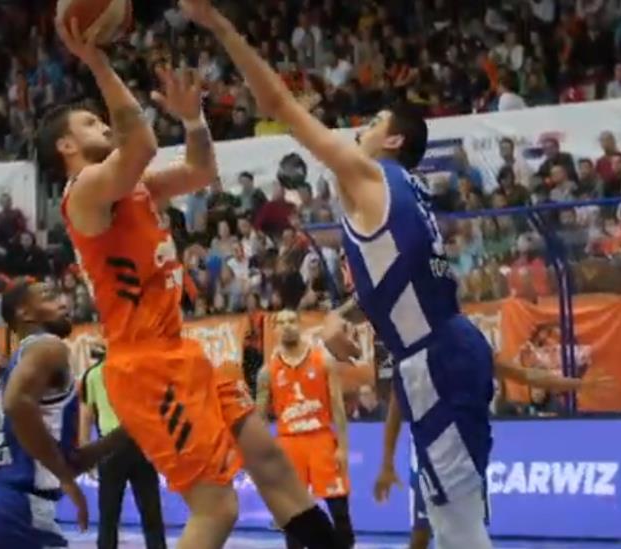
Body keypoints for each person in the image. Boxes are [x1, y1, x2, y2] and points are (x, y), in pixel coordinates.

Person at [181, 1, 491, 546]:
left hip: (437, 359)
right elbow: (398, 281)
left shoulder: (368, 174)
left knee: (459, 526)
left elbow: (276, 103)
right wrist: (342, 315)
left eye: (373, 123)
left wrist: (220, 26)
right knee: (449, 521)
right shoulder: (406, 192)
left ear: (393, 141)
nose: (360, 128)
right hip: (442, 350)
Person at [42, 17, 343, 549]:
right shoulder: (84, 192)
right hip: (146, 367)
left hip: (180, 351)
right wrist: (97, 61)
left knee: (270, 460)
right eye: (89, 122)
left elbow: (200, 172)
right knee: (217, 508)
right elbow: (140, 142)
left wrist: (194, 121)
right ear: (66, 145)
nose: (102, 123)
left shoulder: (135, 188)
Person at [375, 358, 613, 549]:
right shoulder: (411, 359)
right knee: (421, 535)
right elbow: (395, 412)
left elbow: (525, 375)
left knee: (468, 533)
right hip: (429, 461)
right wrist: (387, 463)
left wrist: (576, 385)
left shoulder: (468, 348)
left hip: (466, 461)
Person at [0, 281, 87, 548]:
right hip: (16, 509)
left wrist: (127, 433)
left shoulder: (20, 363)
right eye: (49, 297)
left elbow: (66, 458)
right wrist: (63, 476)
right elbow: (16, 404)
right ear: (24, 313)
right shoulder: (49, 347)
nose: (64, 302)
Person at [256, 310, 356, 549]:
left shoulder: (323, 359)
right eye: (281, 322)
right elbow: (259, 418)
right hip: (289, 444)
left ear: (299, 325)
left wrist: (343, 448)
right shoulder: (267, 371)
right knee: (295, 518)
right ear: (275, 330)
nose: (287, 326)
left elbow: (337, 406)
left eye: (291, 321)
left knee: (340, 513)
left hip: (321, 439)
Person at [80, 349, 167, 549]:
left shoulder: (93, 374)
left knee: (108, 514)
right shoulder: (140, 371)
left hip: (110, 448)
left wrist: (86, 449)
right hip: (139, 445)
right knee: (151, 512)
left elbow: (86, 415)